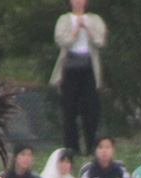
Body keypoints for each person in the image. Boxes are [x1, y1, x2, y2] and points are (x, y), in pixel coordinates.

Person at [50, 0, 107, 155]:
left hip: (89, 67)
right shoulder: (64, 19)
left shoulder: (95, 20)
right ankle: (71, 148)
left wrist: (87, 28)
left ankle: (91, 147)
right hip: (69, 68)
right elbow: (62, 41)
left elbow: (99, 41)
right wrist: (75, 29)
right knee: (69, 110)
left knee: (90, 110)